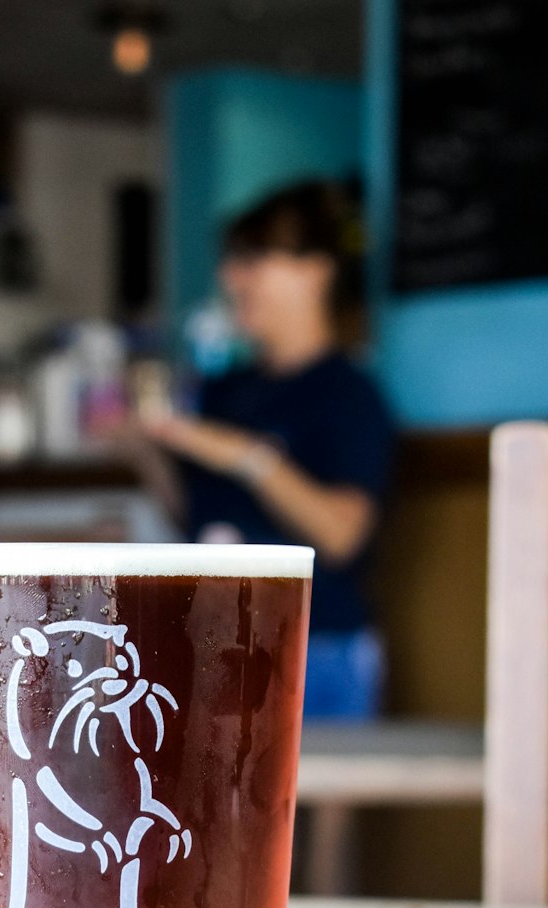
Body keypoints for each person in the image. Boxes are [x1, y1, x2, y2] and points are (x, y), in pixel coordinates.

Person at [138, 180, 395, 719]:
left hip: (315, 645)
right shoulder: (220, 390)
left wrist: (245, 455)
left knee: (296, 800)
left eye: (253, 259)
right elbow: (192, 517)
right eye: (233, 260)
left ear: (316, 270)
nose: (231, 277)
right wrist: (145, 450)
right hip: (203, 643)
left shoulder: (349, 394)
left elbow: (341, 534)